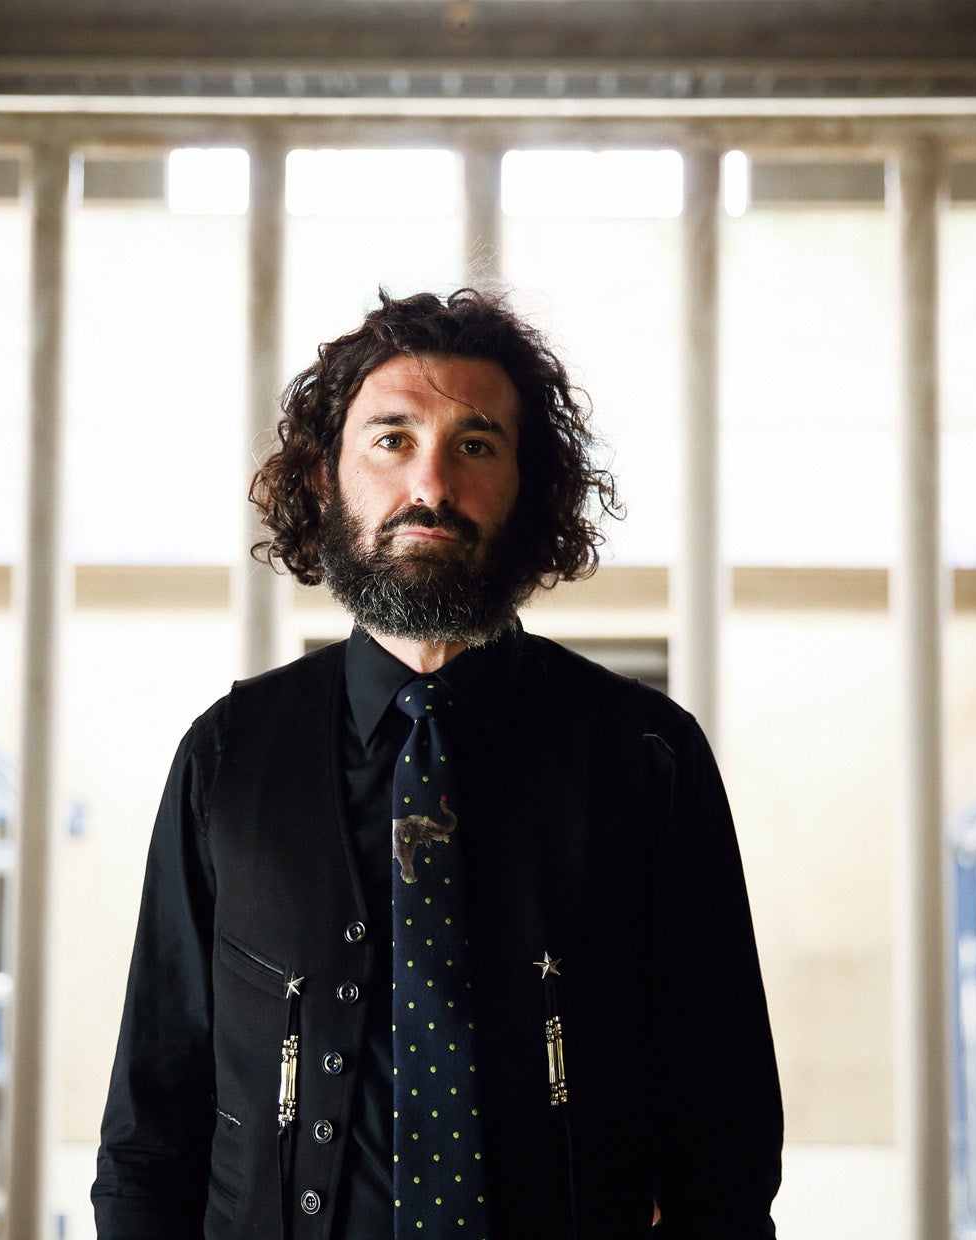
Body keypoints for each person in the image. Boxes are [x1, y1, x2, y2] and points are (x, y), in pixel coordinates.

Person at [93, 288, 782, 1240]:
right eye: (392, 439)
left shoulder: (648, 759)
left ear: (530, 487)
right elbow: (150, 1132)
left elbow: (726, 1141)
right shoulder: (227, 758)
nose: (431, 484)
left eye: (477, 445)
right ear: (324, 481)